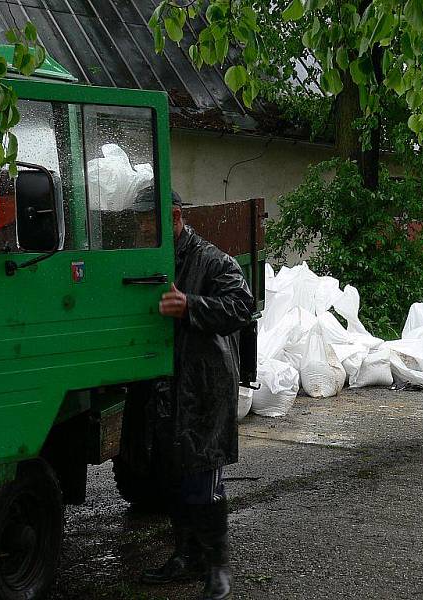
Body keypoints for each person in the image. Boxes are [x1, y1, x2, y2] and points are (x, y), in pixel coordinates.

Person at [138, 188, 254, 600]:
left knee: (203, 478)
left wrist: (190, 305)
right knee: (172, 473)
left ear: (173, 217)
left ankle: (217, 567)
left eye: (149, 222)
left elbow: (243, 305)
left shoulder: (211, 258)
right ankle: (186, 555)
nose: (143, 229)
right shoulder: (151, 258)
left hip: (205, 383)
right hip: (167, 382)